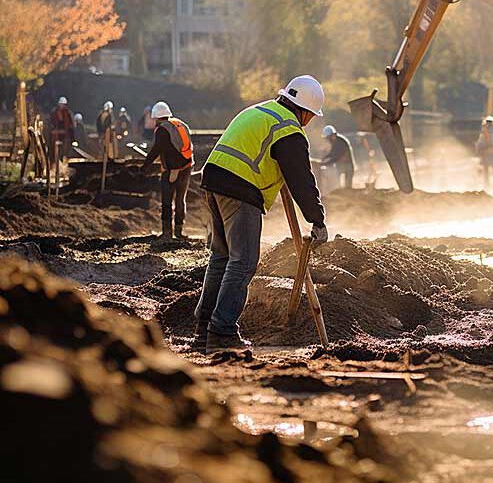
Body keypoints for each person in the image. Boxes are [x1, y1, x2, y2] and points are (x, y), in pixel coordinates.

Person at [195, 75, 328, 352]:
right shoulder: (288, 128)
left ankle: (204, 330)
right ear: (303, 110)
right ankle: (221, 332)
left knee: (221, 257)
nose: (310, 121)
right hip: (240, 189)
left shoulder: (261, 111)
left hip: (214, 180)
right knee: (243, 262)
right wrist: (317, 219)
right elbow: (301, 178)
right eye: (312, 116)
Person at [141, 101, 194, 242]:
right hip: (187, 167)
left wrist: (144, 167)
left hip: (172, 170)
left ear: (156, 117)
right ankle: (179, 231)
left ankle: (167, 233)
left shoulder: (162, 130)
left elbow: (156, 150)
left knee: (166, 201)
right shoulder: (180, 125)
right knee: (180, 200)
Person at [475, 115, 493, 192]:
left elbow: (481, 142)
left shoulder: (485, 131)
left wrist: (478, 151)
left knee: (486, 172)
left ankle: (486, 188)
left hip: (487, 153)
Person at [320, 125, 355, 189]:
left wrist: (324, 163)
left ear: (334, 135)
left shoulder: (341, 143)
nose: (328, 140)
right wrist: (325, 158)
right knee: (337, 184)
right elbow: (332, 153)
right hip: (341, 164)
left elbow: (336, 157)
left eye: (329, 137)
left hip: (348, 165)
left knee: (348, 187)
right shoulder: (335, 142)